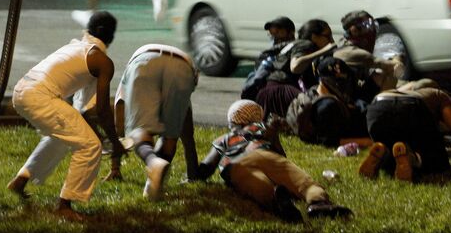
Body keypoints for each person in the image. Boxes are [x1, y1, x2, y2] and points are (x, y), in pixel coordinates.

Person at [7, 11, 124, 221]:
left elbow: (84, 112)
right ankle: (64, 205)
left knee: (62, 138)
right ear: (109, 36)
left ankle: (21, 180)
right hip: (40, 96)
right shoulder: (102, 60)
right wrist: (114, 143)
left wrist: (101, 134)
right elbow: (104, 111)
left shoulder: (77, 47)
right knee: (90, 146)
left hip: (22, 91)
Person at [196, 100, 352, 222]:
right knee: (302, 183)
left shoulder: (224, 139)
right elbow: (280, 155)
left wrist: (196, 175)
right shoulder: (261, 128)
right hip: (265, 153)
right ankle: (318, 202)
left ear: (231, 122)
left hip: (237, 164)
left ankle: (275, 201)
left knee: (257, 184)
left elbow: (208, 166)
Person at [114, 43, 200, 200]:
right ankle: (153, 186)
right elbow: (186, 129)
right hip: (184, 67)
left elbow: (119, 105)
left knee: (140, 129)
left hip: (145, 60)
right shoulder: (188, 72)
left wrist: (115, 166)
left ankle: (153, 162)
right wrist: (193, 173)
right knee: (169, 136)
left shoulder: (130, 69)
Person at [359, 81, 451, 182]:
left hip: (377, 108)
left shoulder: (400, 89)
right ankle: (412, 158)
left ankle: (383, 152)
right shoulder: (437, 93)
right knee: (438, 161)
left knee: (394, 149)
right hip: (412, 108)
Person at [333, 10, 406, 103]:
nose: (373, 30)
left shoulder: (344, 43)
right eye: (367, 25)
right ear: (354, 31)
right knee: (388, 72)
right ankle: (385, 105)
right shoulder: (355, 53)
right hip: (352, 101)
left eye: (373, 24)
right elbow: (394, 66)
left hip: (350, 93)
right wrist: (397, 56)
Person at [252, 17, 303, 120]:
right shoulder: (267, 53)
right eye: (271, 33)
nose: (274, 35)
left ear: (291, 32)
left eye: (278, 31)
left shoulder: (298, 47)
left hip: (288, 88)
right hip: (267, 89)